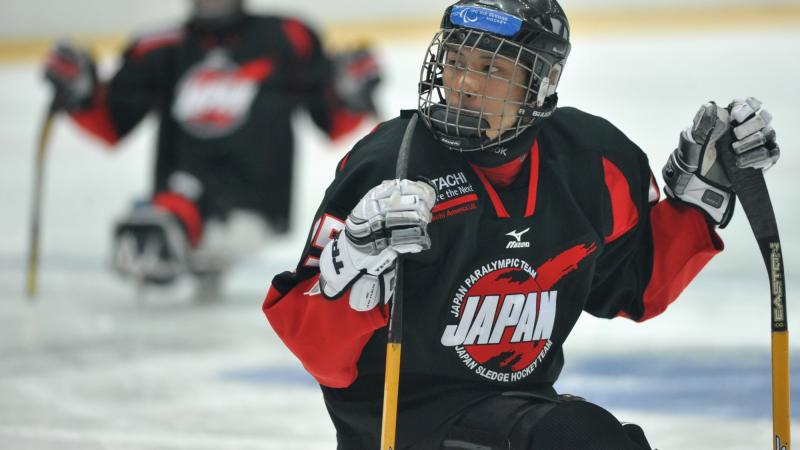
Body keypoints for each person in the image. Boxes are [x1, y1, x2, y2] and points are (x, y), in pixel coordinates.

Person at [262, 0, 781, 448]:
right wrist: (353, 261)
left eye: (490, 68)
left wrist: (701, 196)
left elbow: (637, 285)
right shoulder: (388, 165)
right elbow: (320, 354)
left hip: (520, 406)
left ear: (541, 81)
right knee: (577, 436)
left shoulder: (594, 162)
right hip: (404, 425)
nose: (463, 84)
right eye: (456, 61)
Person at [42, 0, 381, 294]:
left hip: (257, 202)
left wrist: (349, 92)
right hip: (181, 197)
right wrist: (81, 92)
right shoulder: (159, 46)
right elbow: (112, 121)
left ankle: (179, 233)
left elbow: (330, 119)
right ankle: (180, 232)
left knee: (157, 231)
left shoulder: (288, 36)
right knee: (156, 228)